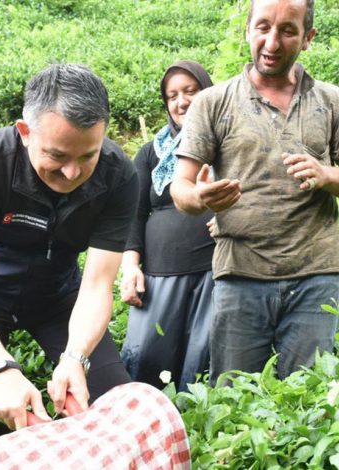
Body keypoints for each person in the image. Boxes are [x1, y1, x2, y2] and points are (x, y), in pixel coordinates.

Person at [170, 0, 339, 383]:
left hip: (317, 275)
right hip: (240, 275)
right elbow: (180, 188)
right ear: (247, 29)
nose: (273, 41)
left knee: (309, 398)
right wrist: (200, 197)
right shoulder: (213, 103)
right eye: (263, 27)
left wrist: (326, 175)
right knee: (234, 396)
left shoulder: (332, 101)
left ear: (308, 38)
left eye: (288, 30)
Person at [0, 63, 138, 453]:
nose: (72, 171)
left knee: (111, 403)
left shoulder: (119, 176)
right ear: (25, 133)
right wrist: (0, 368)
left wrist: (76, 357)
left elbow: (98, 283)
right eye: (57, 154)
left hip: (57, 298)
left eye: (88, 156)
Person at [119, 61, 215, 392]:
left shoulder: (227, 143)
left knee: (200, 363)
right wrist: (131, 266)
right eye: (172, 95)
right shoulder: (150, 153)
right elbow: (133, 213)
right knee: (144, 357)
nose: (181, 102)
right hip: (158, 278)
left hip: (212, 276)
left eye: (191, 91)